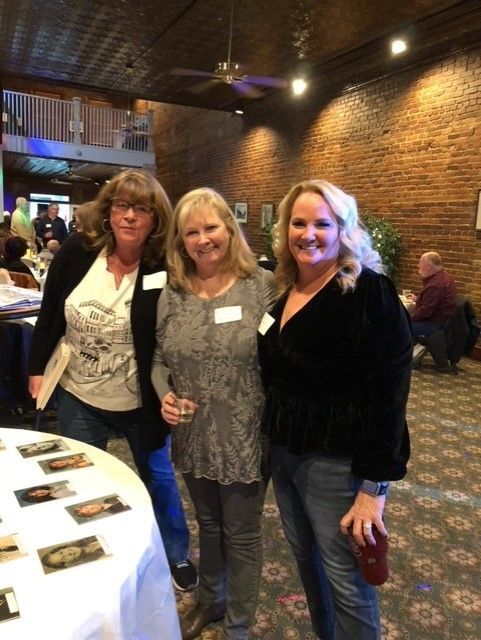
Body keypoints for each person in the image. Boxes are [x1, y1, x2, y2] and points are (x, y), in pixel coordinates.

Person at [27, 169, 196, 592]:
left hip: (140, 403)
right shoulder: (77, 252)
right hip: (79, 395)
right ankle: (85, 554)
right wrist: (34, 369)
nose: (130, 216)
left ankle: (175, 553)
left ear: (156, 219)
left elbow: (176, 334)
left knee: (157, 479)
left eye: (142, 209)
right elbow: (49, 316)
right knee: (76, 479)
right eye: (122, 205)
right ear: (108, 211)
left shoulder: (164, 268)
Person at [257, 179, 412, 640]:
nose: (309, 234)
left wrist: (373, 486)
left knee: (346, 580)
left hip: (337, 465)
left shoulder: (366, 291)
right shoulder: (286, 290)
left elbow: (390, 394)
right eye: (298, 223)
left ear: (343, 229)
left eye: (322, 224)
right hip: (285, 456)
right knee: (309, 568)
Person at [151, 187, 276, 640]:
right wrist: (164, 393)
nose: (203, 239)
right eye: (192, 232)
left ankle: (239, 626)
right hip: (192, 431)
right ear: (181, 241)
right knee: (208, 524)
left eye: (211, 227)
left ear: (229, 228)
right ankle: (210, 599)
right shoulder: (175, 291)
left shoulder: (262, 286)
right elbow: (159, 359)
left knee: (241, 536)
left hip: (245, 434)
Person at [408, 251, 457, 339]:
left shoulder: (435, 284)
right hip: (444, 319)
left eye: (420, 263)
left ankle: (405, 350)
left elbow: (425, 312)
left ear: (428, 266)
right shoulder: (444, 276)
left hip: (437, 323)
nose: (418, 266)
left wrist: (407, 320)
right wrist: (418, 299)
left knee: (402, 327)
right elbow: (433, 301)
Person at [41, 537, 105, 570]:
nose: (69, 553)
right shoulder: (100, 559)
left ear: (61, 548)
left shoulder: (85, 538)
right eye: (64, 559)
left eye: (61, 553)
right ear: (68, 563)